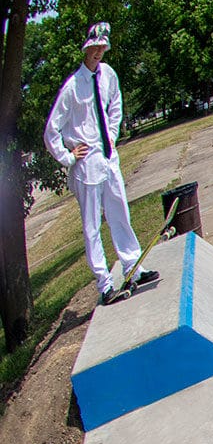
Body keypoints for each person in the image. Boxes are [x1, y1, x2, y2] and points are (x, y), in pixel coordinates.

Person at [44, 22, 157, 305]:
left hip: (108, 158)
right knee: (92, 225)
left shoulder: (108, 75)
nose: (98, 52)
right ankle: (104, 284)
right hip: (87, 164)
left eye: (102, 48)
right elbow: (51, 130)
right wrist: (67, 157)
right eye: (93, 48)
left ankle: (132, 265)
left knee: (119, 210)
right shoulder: (72, 87)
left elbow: (115, 105)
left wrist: (113, 134)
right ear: (85, 49)